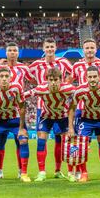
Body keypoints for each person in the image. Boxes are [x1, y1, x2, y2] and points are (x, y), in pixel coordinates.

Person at [68, 38, 100, 180]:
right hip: (82, 109)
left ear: (96, 49)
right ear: (83, 50)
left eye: (92, 48)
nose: (89, 50)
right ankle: (81, 171)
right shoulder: (77, 66)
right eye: (87, 48)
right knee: (81, 141)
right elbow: (69, 82)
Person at [29, 38, 72, 179]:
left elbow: (73, 73)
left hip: (61, 108)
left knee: (62, 140)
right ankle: (42, 171)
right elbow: (28, 76)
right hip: (43, 108)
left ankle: (58, 170)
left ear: (55, 48)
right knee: (42, 139)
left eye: (52, 47)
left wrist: (64, 85)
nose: (49, 49)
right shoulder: (37, 64)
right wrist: (41, 86)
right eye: (47, 47)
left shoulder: (63, 62)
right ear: (43, 48)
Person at [0, 42, 36, 179]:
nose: (12, 53)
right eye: (10, 50)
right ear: (6, 53)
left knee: (21, 140)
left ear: (18, 53)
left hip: (17, 111)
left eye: (14, 50)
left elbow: (35, 82)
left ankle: (21, 171)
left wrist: (27, 94)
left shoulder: (23, 68)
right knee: (0, 142)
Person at [68, 66, 100, 183]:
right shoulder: (80, 91)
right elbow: (71, 108)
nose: (92, 79)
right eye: (90, 77)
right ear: (86, 78)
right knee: (79, 144)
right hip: (87, 120)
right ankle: (84, 174)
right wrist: (71, 128)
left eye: (94, 76)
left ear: (99, 77)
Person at [25, 67, 75, 182]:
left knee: (69, 143)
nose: (53, 82)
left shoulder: (68, 88)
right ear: (47, 79)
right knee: (41, 141)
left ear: (61, 80)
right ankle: (41, 172)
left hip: (63, 117)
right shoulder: (41, 88)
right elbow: (25, 95)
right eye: (51, 79)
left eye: (56, 79)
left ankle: (70, 172)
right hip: (46, 116)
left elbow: (81, 93)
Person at [0, 68, 31, 183]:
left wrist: (22, 128)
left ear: (11, 78)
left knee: (23, 140)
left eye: (6, 76)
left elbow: (22, 107)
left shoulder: (16, 87)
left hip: (15, 119)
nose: (4, 78)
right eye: (2, 76)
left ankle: (23, 173)